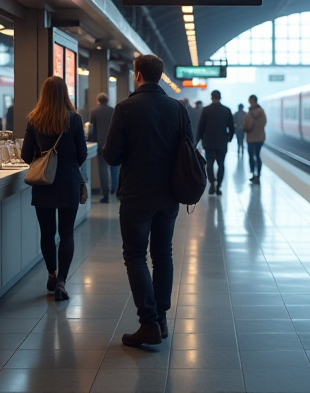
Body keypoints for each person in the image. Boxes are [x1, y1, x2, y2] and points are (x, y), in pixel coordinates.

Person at [103, 54, 190, 346]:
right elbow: (188, 147)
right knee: (163, 255)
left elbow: (111, 156)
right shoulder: (178, 109)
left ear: (137, 74)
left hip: (137, 194)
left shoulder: (125, 108)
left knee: (136, 256)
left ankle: (149, 322)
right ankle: (161, 320)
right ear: (160, 75)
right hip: (169, 195)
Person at [21, 76, 88, 302]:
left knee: (47, 233)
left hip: (44, 184)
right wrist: (68, 165)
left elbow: (25, 156)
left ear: (44, 93)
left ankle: (51, 274)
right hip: (69, 181)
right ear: (65, 93)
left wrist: (42, 159)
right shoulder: (75, 120)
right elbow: (82, 154)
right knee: (67, 232)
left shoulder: (34, 119)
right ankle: (62, 282)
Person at [197, 90, 234, 195]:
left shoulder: (206, 110)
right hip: (222, 142)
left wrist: (198, 140)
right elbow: (231, 128)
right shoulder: (226, 110)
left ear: (211, 97)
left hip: (209, 142)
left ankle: (212, 183)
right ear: (220, 97)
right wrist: (229, 139)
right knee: (221, 164)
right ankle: (219, 186)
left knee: (209, 164)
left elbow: (201, 127)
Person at [89, 93, 119, 203]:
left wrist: (92, 140)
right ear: (107, 100)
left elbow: (92, 129)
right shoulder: (114, 110)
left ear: (98, 101)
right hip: (113, 144)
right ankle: (115, 189)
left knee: (103, 169)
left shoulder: (94, 111)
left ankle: (105, 194)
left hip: (101, 144)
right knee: (114, 167)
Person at [243, 94, 267, 184]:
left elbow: (248, 124)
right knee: (255, 156)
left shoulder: (254, 112)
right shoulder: (258, 111)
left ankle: (255, 174)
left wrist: (247, 127)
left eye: (250, 100)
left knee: (254, 156)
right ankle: (256, 174)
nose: (250, 102)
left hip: (254, 138)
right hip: (257, 138)